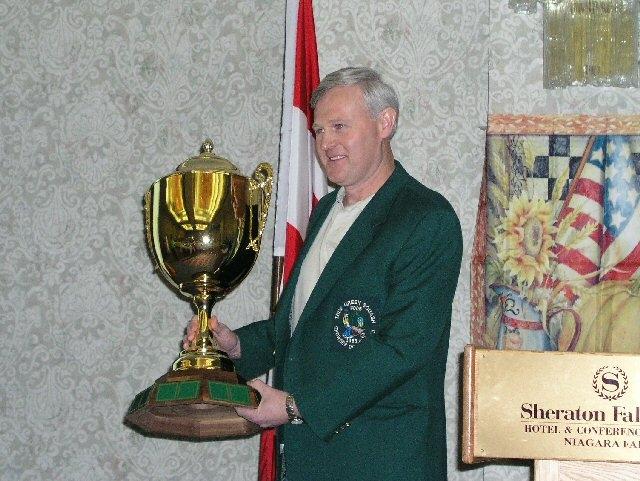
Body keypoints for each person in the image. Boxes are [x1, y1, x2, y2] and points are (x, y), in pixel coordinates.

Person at [185, 66, 462, 481]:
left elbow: (402, 350)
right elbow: (296, 330)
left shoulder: (425, 219)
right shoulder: (325, 212)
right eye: (319, 131)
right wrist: (235, 346)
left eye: (339, 127)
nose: (326, 143)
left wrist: (293, 406)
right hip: (310, 461)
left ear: (385, 123)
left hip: (382, 463)